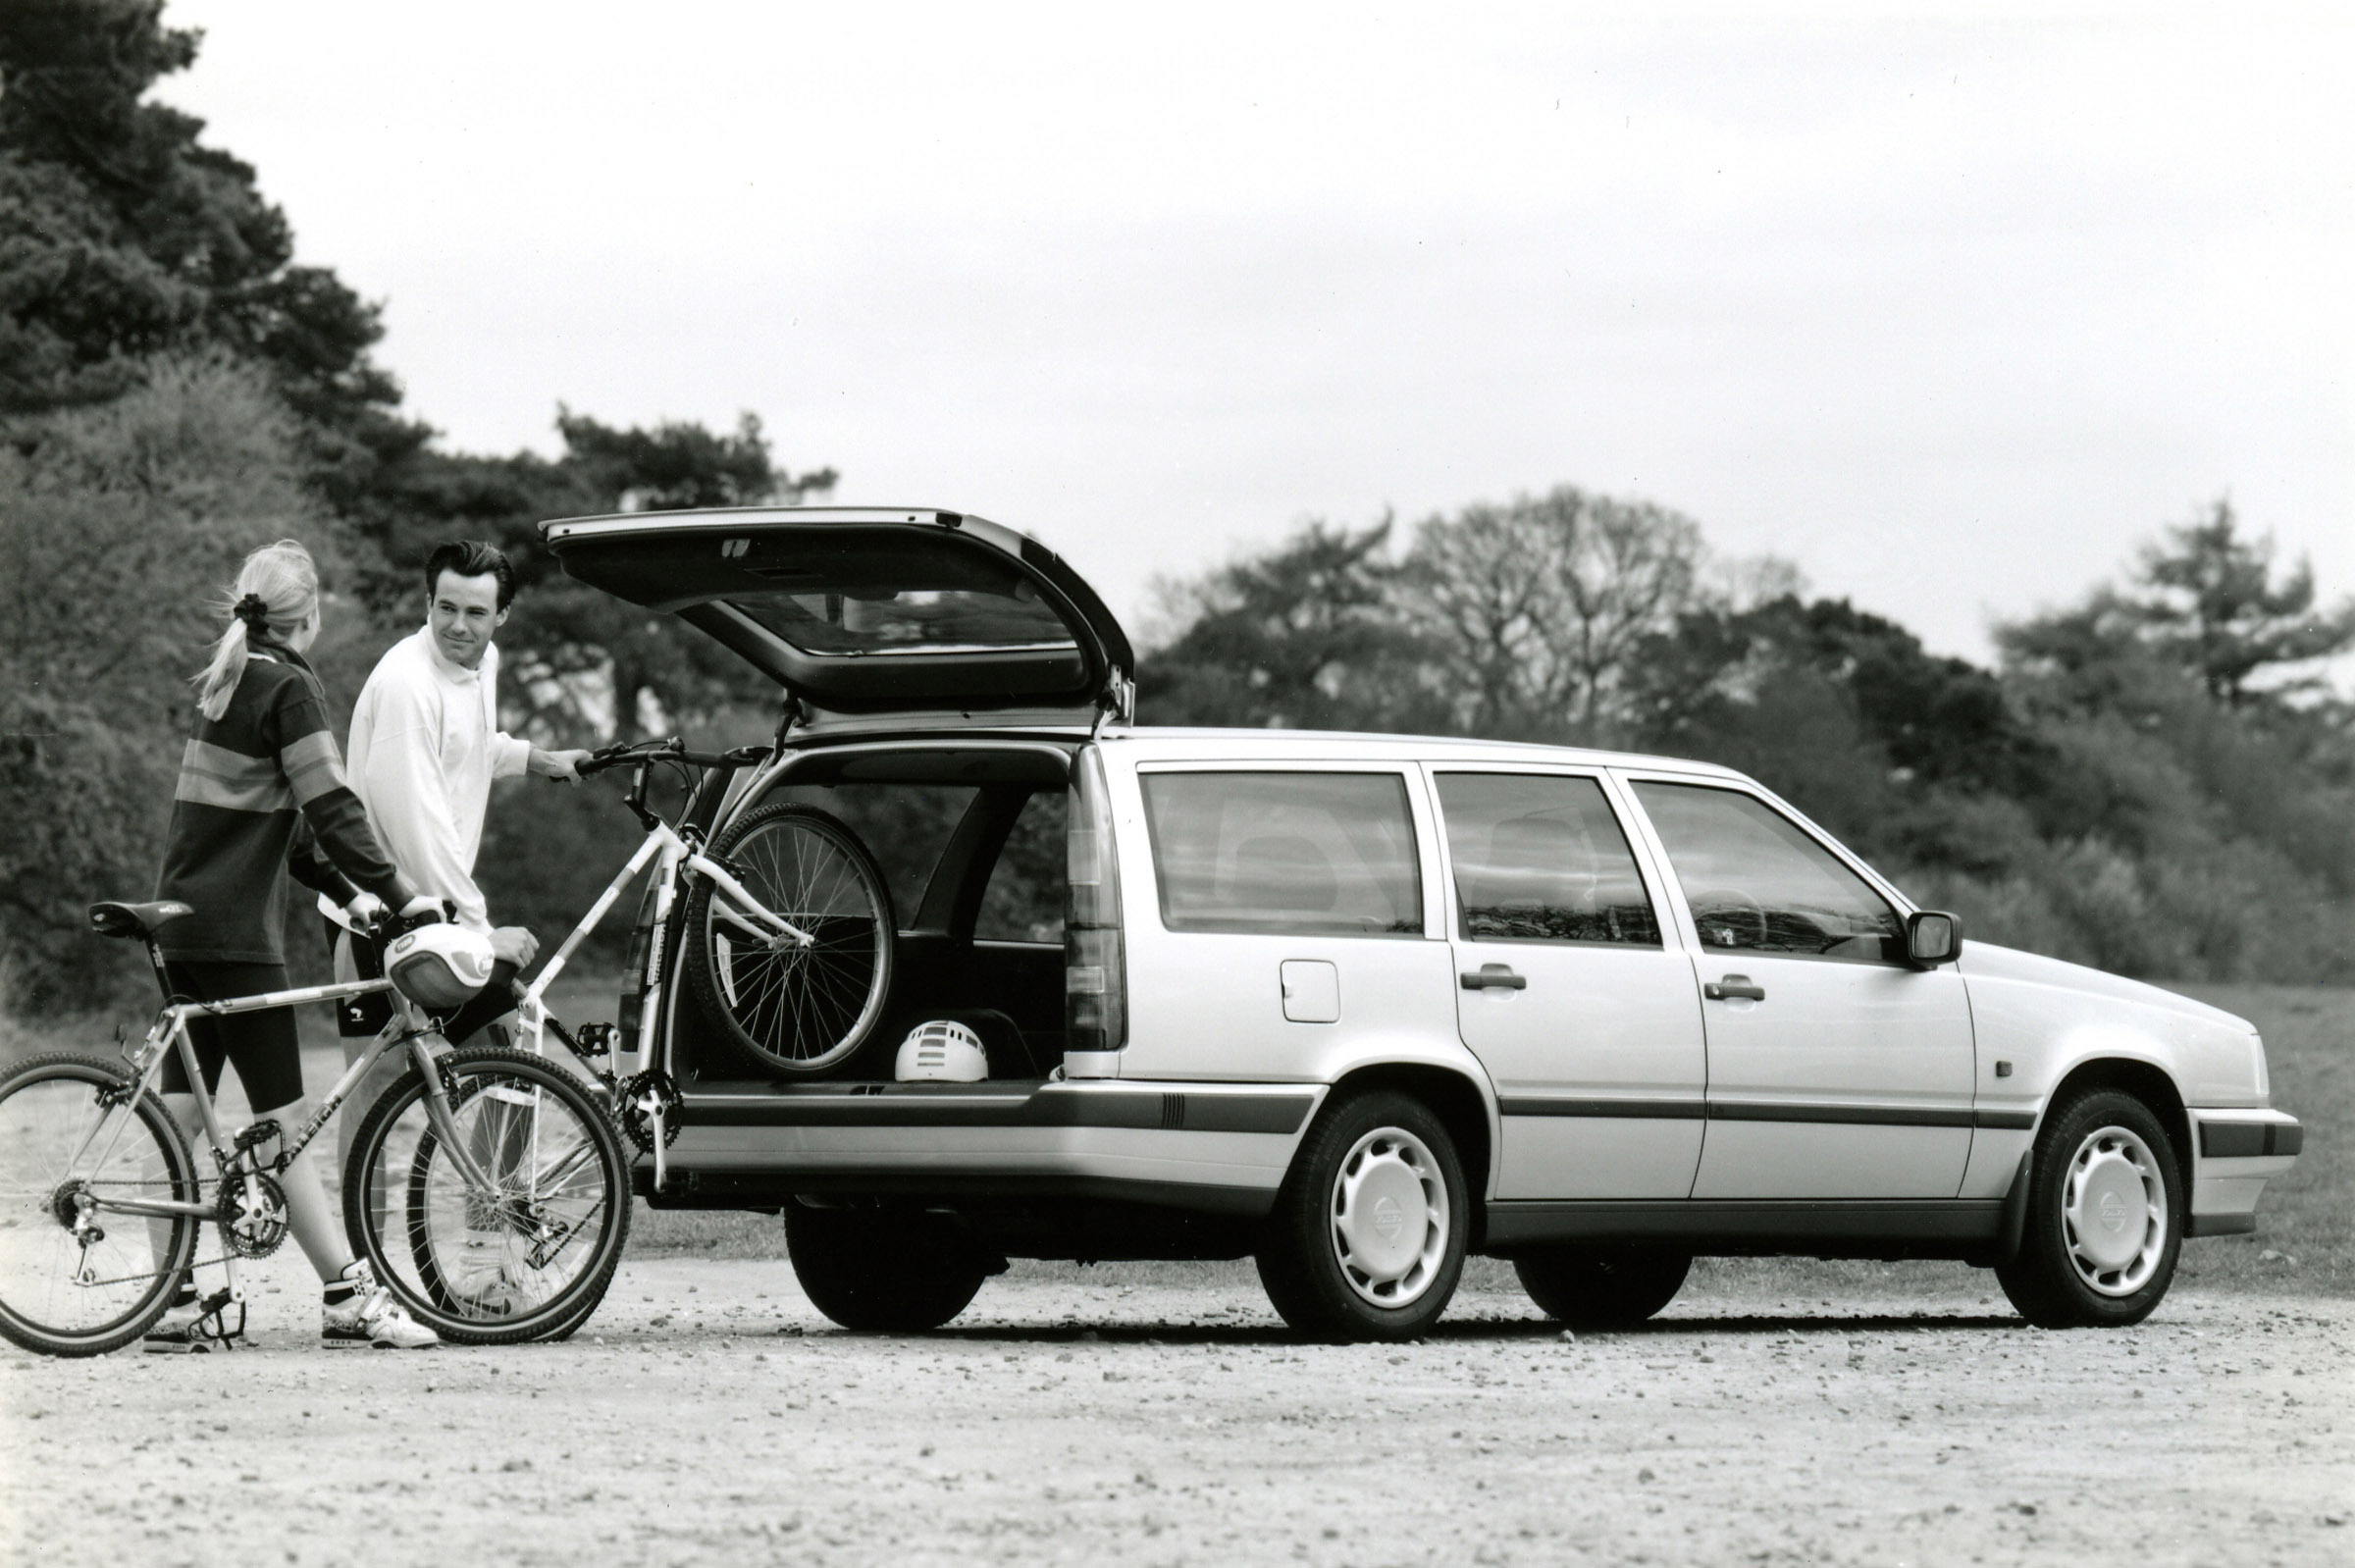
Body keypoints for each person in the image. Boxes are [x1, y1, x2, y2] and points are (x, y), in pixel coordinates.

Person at [145, 540, 441, 1350]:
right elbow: (334, 809)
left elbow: (295, 833)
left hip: (185, 925)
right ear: (309, 614)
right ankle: (349, 1296)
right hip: (237, 934)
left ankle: (168, 1302)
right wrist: (404, 896)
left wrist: (351, 897)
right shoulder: (288, 686)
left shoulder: (230, 680)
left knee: (177, 1113)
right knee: (282, 1125)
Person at [322, 539, 591, 1312]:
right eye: (446, 608)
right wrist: (482, 936)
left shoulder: (481, 665)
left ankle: (485, 1261)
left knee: (509, 1061)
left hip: (435, 917)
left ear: (502, 615)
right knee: (374, 1101)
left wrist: (536, 758)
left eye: (477, 612)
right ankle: (357, 1287)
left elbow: (468, 749)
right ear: (426, 603)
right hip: (375, 921)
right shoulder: (406, 685)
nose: (459, 626)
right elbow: (417, 829)